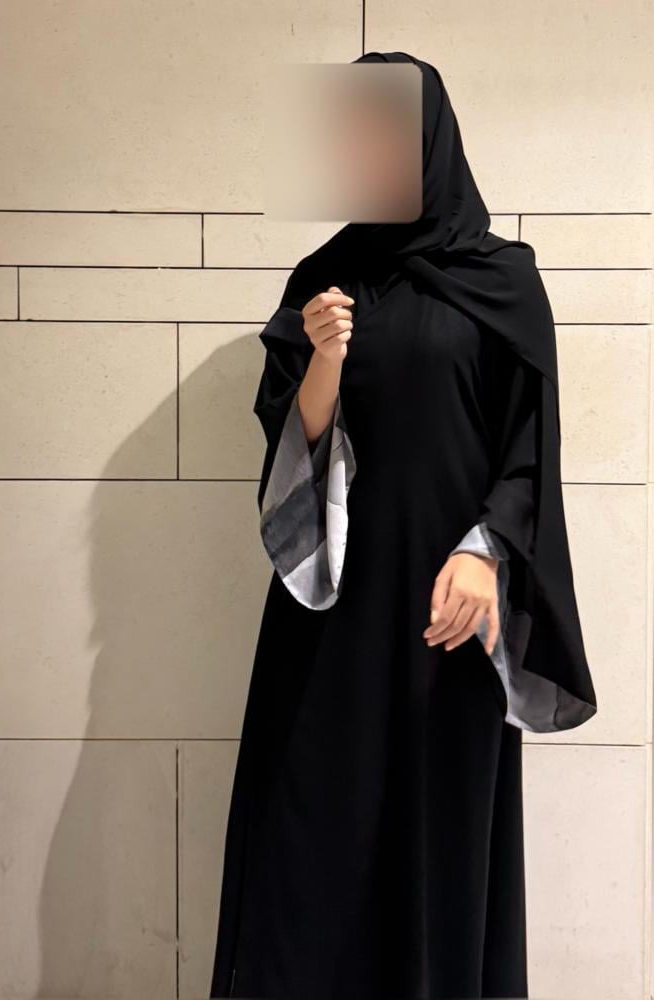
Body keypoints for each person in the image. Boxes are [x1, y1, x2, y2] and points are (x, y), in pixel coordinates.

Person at [209, 50, 598, 1000]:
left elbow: (529, 449)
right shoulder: (324, 276)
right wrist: (323, 358)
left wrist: (486, 554)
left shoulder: (503, 281)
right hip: (332, 610)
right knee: (310, 833)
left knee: (438, 834)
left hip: (447, 614)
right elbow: (293, 438)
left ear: (429, 140)